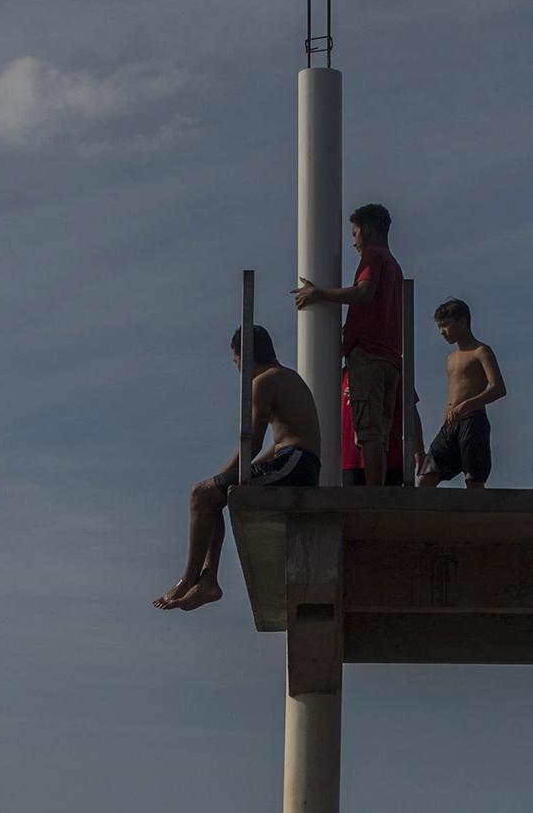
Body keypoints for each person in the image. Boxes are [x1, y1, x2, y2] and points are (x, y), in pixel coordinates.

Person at [154, 325, 320, 612]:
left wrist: (221, 479)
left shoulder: (264, 381)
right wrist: (227, 479)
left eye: (236, 362)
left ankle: (190, 578)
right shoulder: (287, 376)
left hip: (296, 464)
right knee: (210, 496)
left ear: (245, 356)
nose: (238, 370)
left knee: (201, 494)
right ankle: (208, 581)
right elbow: (280, 442)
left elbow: (252, 443)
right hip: (295, 460)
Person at [294, 202, 405, 487]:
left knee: (368, 431)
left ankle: (373, 495)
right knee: (378, 432)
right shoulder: (394, 265)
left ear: (367, 229)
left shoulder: (373, 256)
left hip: (369, 353)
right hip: (390, 357)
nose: (353, 241)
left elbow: (363, 292)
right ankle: (376, 490)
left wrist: (319, 293)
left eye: (355, 233)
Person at [416, 298, 506, 489]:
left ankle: (477, 518)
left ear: (462, 322)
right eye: (440, 327)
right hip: (450, 424)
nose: (442, 332)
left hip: (473, 420)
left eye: (446, 325)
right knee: (427, 476)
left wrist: (467, 404)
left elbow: (498, 388)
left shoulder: (481, 351)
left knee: (473, 480)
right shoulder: (451, 358)